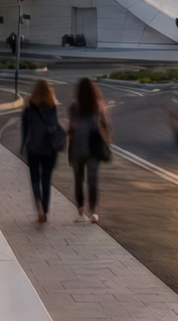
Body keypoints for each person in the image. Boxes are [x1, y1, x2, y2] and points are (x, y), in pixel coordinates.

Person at [17, 79, 65, 223]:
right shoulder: (52, 107)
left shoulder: (28, 109)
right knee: (46, 179)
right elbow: (55, 125)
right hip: (49, 148)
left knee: (34, 178)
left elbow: (25, 130)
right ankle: (45, 209)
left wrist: (22, 148)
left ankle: (38, 203)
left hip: (33, 147)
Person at [67, 77, 112, 222]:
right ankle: (94, 212)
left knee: (78, 178)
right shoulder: (97, 106)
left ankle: (80, 204)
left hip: (78, 147)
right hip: (93, 147)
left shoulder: (74, 106)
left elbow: (72, 128)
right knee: (93, 179)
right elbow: (105, 125)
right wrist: (107, 140)